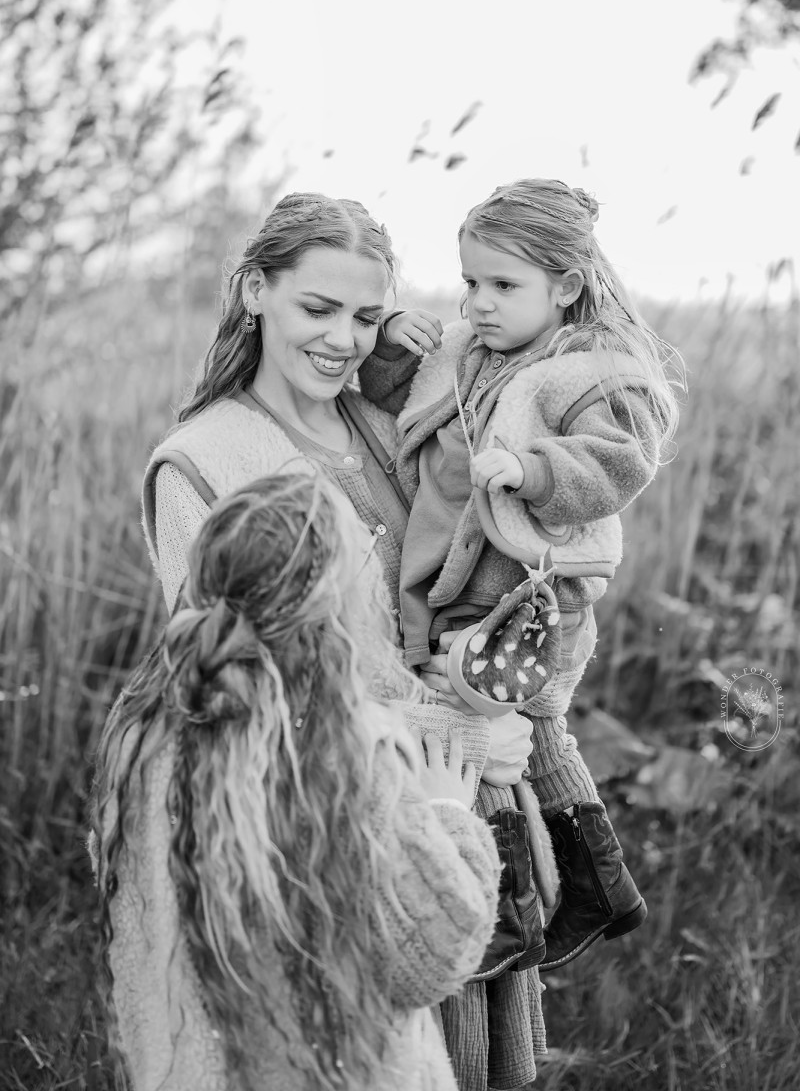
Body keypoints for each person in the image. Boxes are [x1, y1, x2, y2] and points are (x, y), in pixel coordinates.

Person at [140, 191, 543, 1090]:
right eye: (316, 308)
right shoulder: (203, 463)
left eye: (365, 316)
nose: (342, 340)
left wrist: (409, 335)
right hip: (338, 821)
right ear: (253, 290)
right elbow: (242, 689)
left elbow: (509, 365)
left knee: (474, 1062)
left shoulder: (388, 422)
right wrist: (461, 735)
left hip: (458, 803)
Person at [358, 178, 684, 983]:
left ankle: (507, 917)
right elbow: (400, 402)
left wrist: (534, 468)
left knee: (501, 743)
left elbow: (620, 462)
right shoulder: (472, 354)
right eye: (471, 283)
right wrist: (402, 346)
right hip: (464, 591)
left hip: (532, 601)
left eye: (504, 286)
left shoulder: (591, 371)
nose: (479, 303)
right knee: (518, 739)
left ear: (566, 286)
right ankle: (592, 888)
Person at [92, 473, 503, 1090]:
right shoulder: (350, 755)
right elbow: (432, 956)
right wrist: (447, 813)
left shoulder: (141, 736)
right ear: (337, 614)